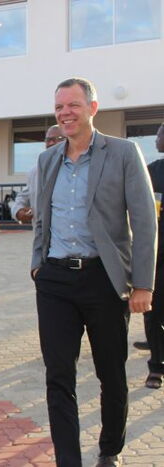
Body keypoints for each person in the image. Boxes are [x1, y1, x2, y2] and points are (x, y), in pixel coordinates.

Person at [31, 78, 157, 467]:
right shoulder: (47, 159)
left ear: (92, 108)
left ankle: (110, 450)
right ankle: (68, 460)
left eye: (73, 105)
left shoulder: (122, 152)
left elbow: (144, 220)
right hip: (54, 280)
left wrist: (143, 285)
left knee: (111, 374)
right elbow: (41, 217)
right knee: (58, 376)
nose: (65, 113)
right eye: (59, 107)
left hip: (103, 279)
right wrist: (38, 263)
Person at [138, 122, 164, 389]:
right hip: (158, 255)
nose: (156, 139)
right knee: (153, 312)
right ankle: (156, 366)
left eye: (159, 135)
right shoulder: (153, 171)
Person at [11, 125, 65, 225]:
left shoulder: (76, 169)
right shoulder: (35, 171)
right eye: (48, 140)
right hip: (42, 234)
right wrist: (18, 211)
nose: (51, 143)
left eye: (58, 139)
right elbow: (24, 196)